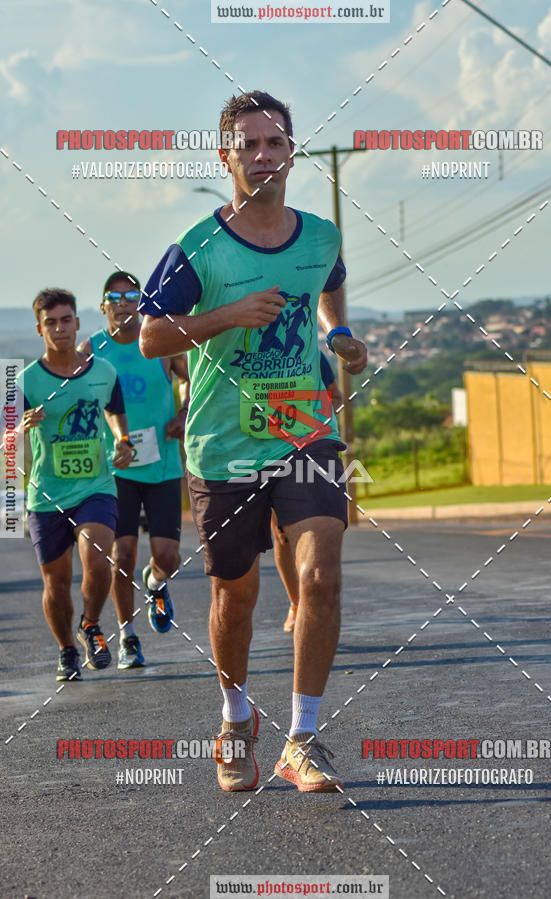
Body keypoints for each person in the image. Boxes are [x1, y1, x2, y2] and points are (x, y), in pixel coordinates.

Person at [139, 91, 367, 793]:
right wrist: (230, 314)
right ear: (226, 156)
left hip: (306, 428)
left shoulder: (322, 235)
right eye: (249, 145)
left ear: (293, 151)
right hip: (222, 444)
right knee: (234, 597)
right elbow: (150, 336)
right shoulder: (197, 247)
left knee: (322, 575)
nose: (263, 156)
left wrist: (336, 334)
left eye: (275, 143)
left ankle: (303, 736)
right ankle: (236, 717)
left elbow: (327, 286)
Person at [13, 288, 132, 681]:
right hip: (46, 494)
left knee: (98, 557)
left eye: (66, 320)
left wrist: (123, 442)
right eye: (51, 323)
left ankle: (92, 623)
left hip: (96, 486)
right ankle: (66, 649)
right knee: (57, 582)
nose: (59, 328)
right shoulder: (25, 381)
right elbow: (4, 438)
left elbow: (115, 411)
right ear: (39, 329)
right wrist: (19, 427)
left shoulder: (103, 372)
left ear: (77, 323)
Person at [79, 272, 189, 670]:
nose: (124, 302)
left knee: (168, 555)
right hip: (116, 468)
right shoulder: (92, 348)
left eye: (131, 295)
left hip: (162, 463)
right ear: (103, 305)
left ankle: (157, 583)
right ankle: (127, 636)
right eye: (115, 296)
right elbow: (80, 401)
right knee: (121, 554)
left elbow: (190, 378)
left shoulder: (157, 340)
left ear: (140, 302)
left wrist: (183, 412)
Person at [275, 352, 343, 633]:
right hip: (261, 448)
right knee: (280, 534)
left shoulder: (312, 356)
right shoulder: (249, 351)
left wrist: (314, 420)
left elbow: (335, 396)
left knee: (314, 525)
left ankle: (310, 599)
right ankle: (295, 603)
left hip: (308, 448)